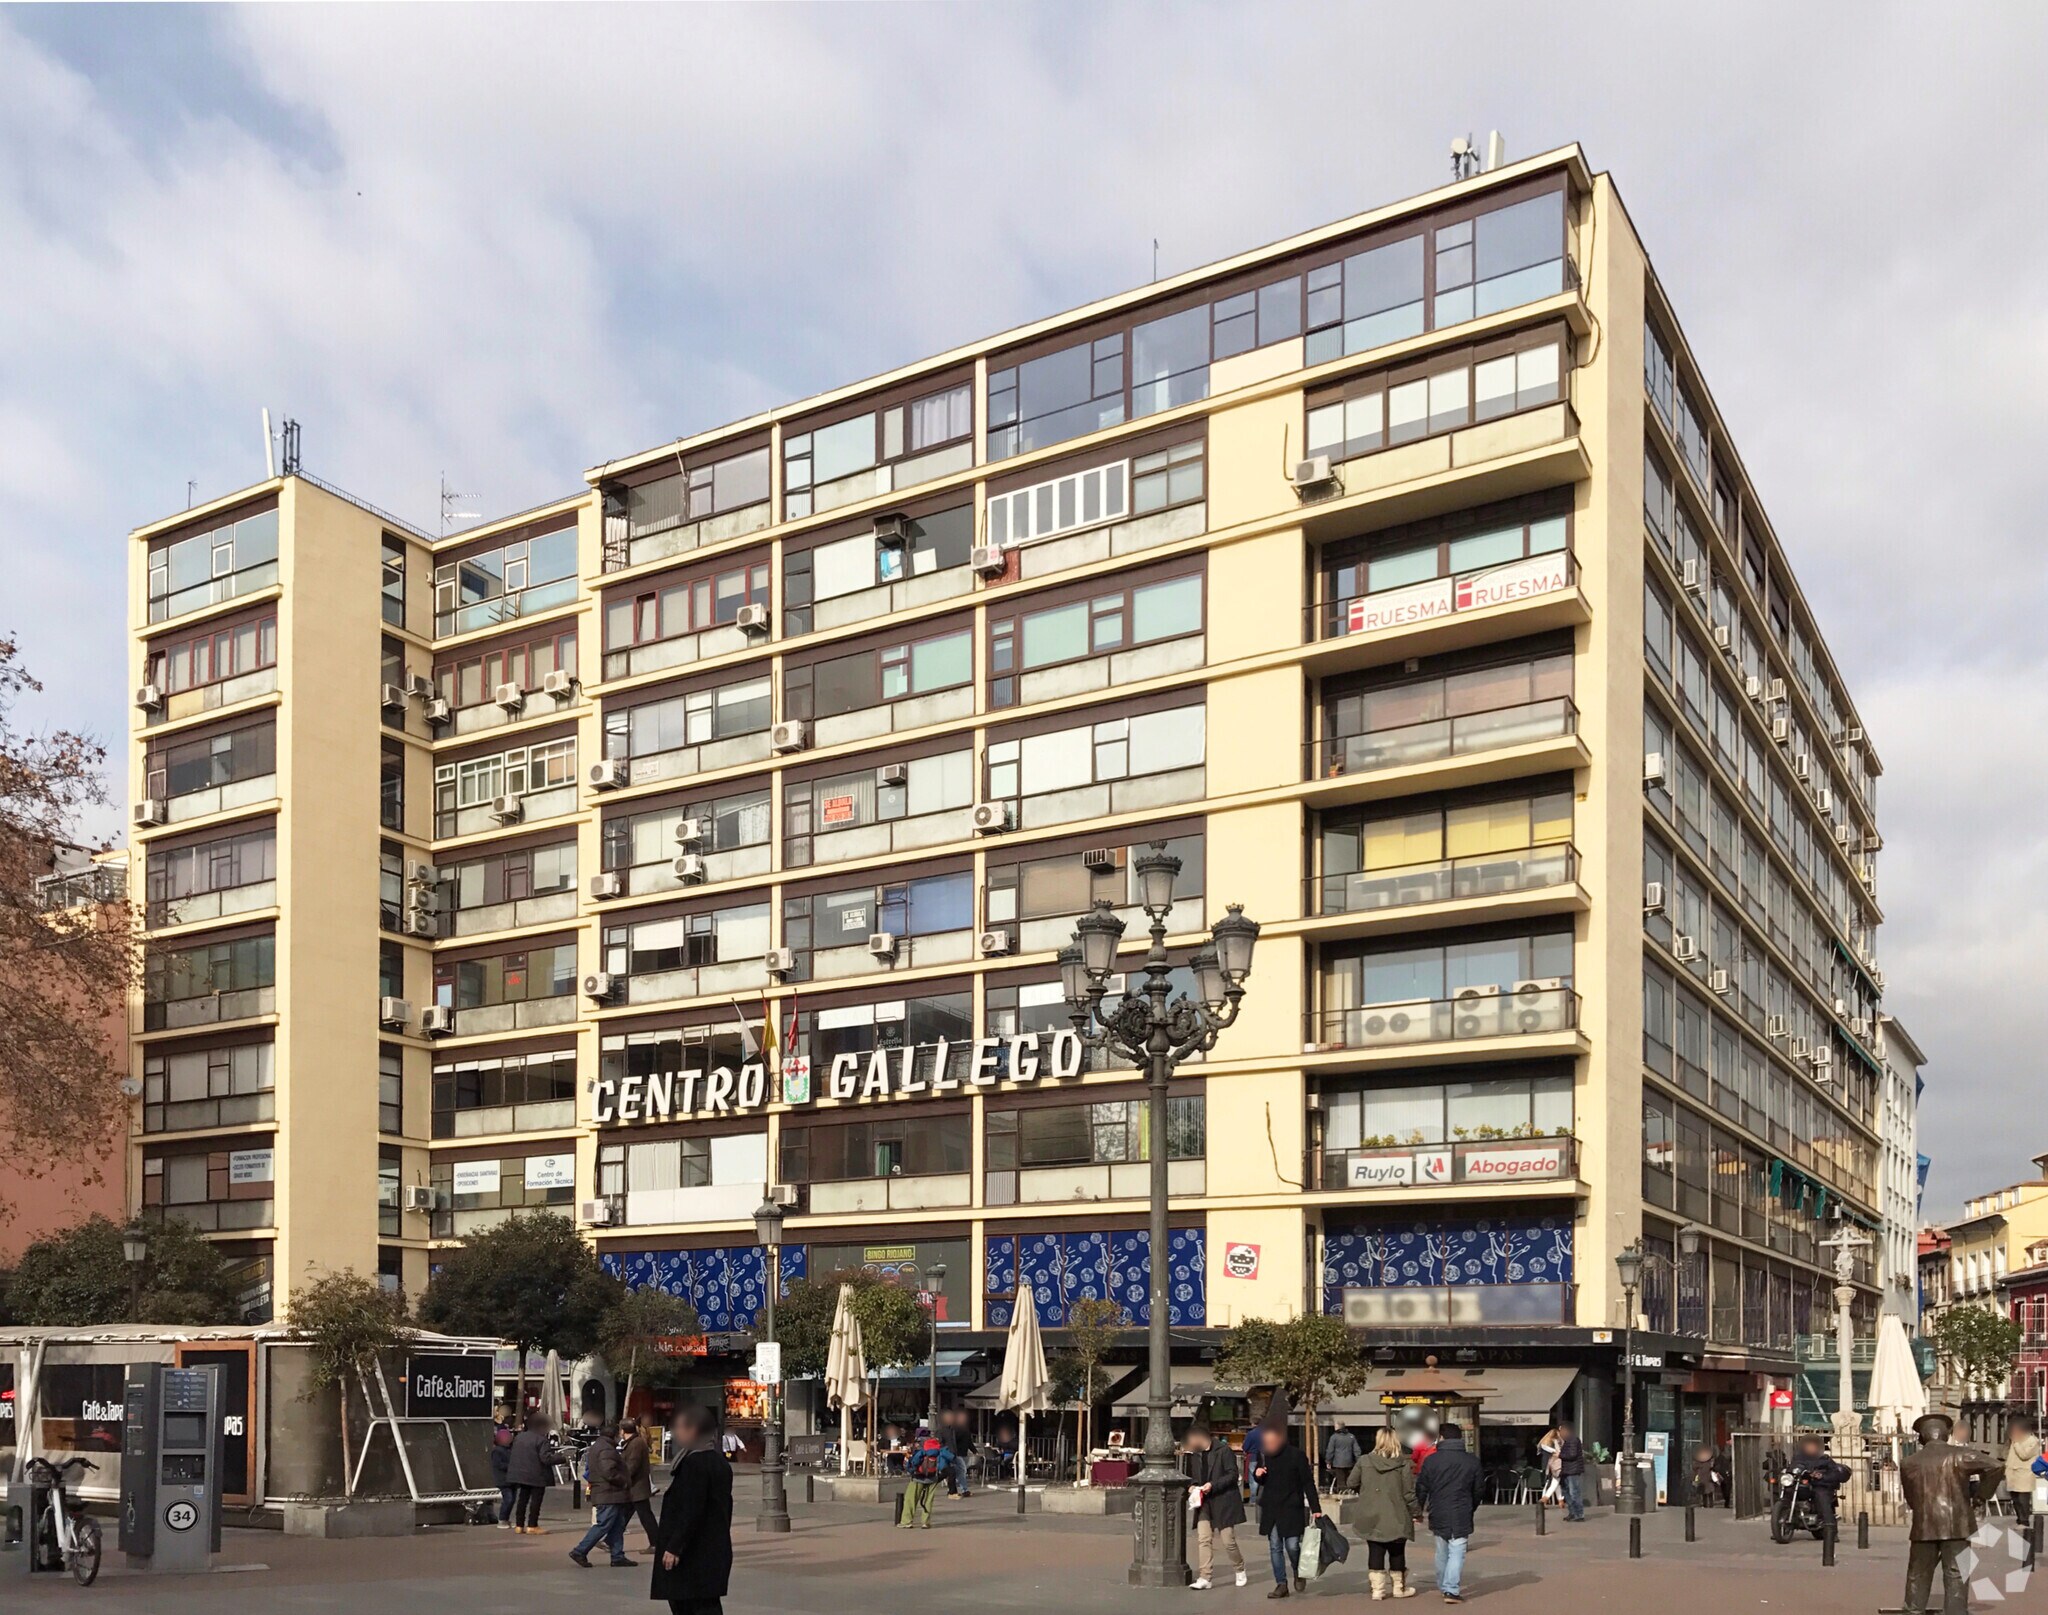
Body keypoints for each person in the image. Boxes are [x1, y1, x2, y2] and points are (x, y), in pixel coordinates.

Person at [1899, 1412, 2000, 1614]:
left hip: (1924, 1526)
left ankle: (1913, 1611)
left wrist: (1922, 1511)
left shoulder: (1908, 1462)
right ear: (1946, 1434)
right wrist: (1981, 1496)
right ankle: (1956, 1611)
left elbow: (1911, 1498)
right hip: (1958, 1526)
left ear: (1922, 1436)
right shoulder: (1960, 1455)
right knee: (1957, 1574)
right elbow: (1996, 1467)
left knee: (1918, 1574)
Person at [650, 1403, 734, 1615]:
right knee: (705, 1603)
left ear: (693, 1430)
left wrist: (674, 1547)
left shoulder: (694, 1464)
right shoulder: (719, 1463)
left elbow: (691, 1509)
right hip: (712, 1547)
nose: (675, 1433)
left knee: (690, 1604)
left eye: (679, 1427)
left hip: (693, 1553)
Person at [1251, 1402, 1321, 1600]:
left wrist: (1315, 1508)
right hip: (1271, 1508)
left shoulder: (1296, 1456)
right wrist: (1258, 1475)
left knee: (1292, 1546)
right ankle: (1281, 1584)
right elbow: (1261, 1478)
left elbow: (1307, 1483)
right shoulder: (1264, 1455)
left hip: (1291, 1507)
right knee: (1275, 1546)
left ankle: (1298, 1571)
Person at [1415, 1420, 1484, 1605]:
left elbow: (1422, 1487)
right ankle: (1451, 1589)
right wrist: (1471, 1506)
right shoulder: (1472, 1461)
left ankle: (1443, 1585)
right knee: (1457, 1551)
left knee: (1441, 1551)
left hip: (1438, 1510)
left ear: (1441, 1437)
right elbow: (1479, 1489)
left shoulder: (1431, 1460)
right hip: (1462, 1510)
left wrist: (1418, 1510)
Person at [1354, 1427, 1419, 1602]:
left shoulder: (1364, 1460)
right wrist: (1416, 1512)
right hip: (1397, 1514)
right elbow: (1408, 1493)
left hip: (1371, 1513)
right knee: (1397, 1551)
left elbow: (1352, 1481)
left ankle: (1378, 1590)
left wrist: (1366, 1491)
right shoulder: (1403, 1463)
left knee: (1375, 1550)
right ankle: (1399, 1588)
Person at [1185, 1423, 1249, 1591]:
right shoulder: (1195, 1454)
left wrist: (1212, 1485)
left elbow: (1232, 1474)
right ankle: (1205, 1577)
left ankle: (1239, 1568)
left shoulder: (1223, 1450)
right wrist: (1192, 1486)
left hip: (1223, 1500)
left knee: (1228, 1540)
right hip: (1204, 1502)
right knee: (1204, 1539)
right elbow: (1192, 1476)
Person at [570, 1425, 637, 1568]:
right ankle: (580, 1550)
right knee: (603, 1524)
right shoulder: (606, 1449)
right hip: (608, 1493)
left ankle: (617, 1556)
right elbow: (608, 1471)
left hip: (610, 1493)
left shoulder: (600, 1446)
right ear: (614, 1435)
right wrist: (623, 1481)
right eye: (618, 1434)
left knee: (617, 1525)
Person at [1787, 1433, 1851, 1540]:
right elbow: (1791, 1469)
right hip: (1802, 1485)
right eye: (1808, 1446)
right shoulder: (1797, 1459)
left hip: (1820, 1485)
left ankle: (1831, 1531)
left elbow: (1835, 1473)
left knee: (1821, 1497)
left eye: (1813, 1446)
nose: (1810, 1448)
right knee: (1787, 1490)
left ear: (1818, 1447)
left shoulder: (1825, 1460)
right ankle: (1782, 1524)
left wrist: (1822, 1476)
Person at [505, 1410, 557, 1534]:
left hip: (521, 1473)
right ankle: (532, 1525)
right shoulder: (541, 1440)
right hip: (537, 1474)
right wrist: (561, 1458)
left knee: (522, 1499)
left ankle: (519, 1525)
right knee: (535, 1501)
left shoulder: (519, 1438)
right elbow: (546, 1458)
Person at [620, 1417, 659, 1553]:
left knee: (645, 1516)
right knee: (625, 1514)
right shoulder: (633, 1442)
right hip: (634, 1487)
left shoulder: (636, 1443)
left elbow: (633, 1465)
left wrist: (621, 1478)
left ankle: (656, 1543)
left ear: (623, 1430)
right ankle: (609, 1540)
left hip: (637, 1487)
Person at [897, 1426, 949, 1529]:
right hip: (933, 1476)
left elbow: (914, 1461)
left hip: (918, 1477)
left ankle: (906, 1521)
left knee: (910, 1499)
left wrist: (911, 1470)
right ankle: (926, 1522)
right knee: (928, 1501)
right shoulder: (935, 1444)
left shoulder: (919, 1445)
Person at [2004, 1413, 2042, 1529]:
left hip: (2024, 1475)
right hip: (2013, 1474)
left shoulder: (2033, 1441)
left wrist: (2016, 1443)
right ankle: (2019, 1519)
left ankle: (2025, 1521)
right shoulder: (2014, 1440)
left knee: (2023, 1499)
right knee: (2015, 1498)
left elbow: (2024, 1455)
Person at [488, 1405, 518, 1528]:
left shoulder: (510, 1449)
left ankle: (505, 1519)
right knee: (508, 1499)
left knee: (511, 1499)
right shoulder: (497, 1451)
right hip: (503, 1479)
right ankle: (502, 1519)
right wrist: (512, 1466)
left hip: (511, 1478)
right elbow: (498, 1464)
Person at [1553, 1420, 1585, 1523]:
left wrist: (1559, 1455)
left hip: (1573, 1470)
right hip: (1567, 1470)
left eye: (1561, 1431)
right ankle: (1572, 1512)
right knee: (1566, 1492)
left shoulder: (1573, 1440)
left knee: (1574, 1492)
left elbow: (1572, 1454)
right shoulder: (1567, 1441)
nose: (1560, 1433)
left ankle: (1579, 1514)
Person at [1325, 1425, 1362, 1495]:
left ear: (1337, 1427)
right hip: (1349, 1462)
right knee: (1349, 1479)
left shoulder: (1334, 1437)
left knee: (1340, 1480)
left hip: (1338, 1463)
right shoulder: (1351, 1436)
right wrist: (1358, 1460)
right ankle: (1350, 1492)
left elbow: (1330, 1450)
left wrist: (1328, 1461)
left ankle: (1342, 1493)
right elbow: (1357, 1450)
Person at [1690, 1443, 1724, 1509]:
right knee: (1705, 1493)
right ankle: (1707, 1504)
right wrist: (1694, 1479)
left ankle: (1709, 1504)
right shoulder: (1699, 1464)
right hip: (1703, 1481)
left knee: (1708, 1493)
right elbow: (1695, 1472)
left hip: (1708, 1480)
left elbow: (1715, 1469)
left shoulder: (1709, 1463)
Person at [1535, 1426, 1562, 1507]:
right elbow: (1558, 1452)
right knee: (1553, 1482)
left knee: (1554, 1482)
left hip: (1546, 1465)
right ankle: (1545, 1499)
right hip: (1553, 1465)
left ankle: (1560, 1500)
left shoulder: (1543, 1444)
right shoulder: (1554, 1442)